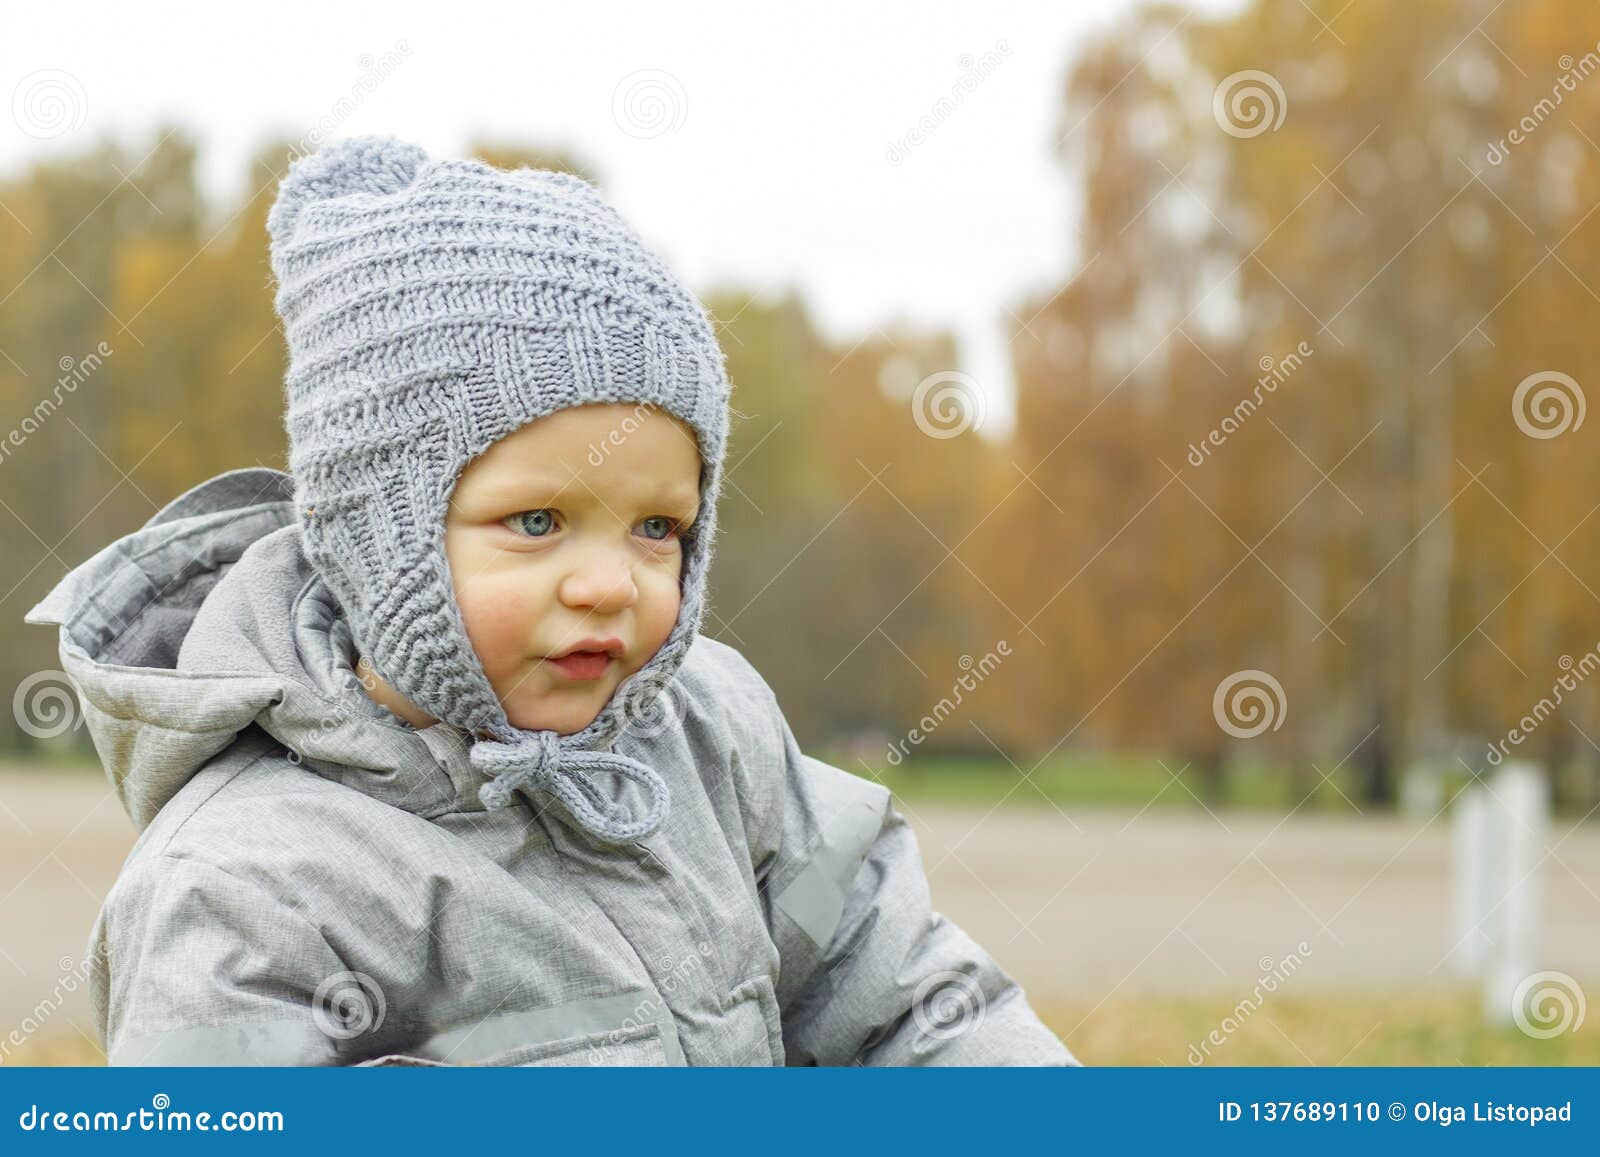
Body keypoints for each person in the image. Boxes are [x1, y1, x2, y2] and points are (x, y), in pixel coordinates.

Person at [25, 136, 1074, 1067]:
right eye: (536, 522)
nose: (609, 582)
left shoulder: (713, 738)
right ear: (375, 531)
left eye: (657, 527)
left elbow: (899, 994)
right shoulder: (250, 885)